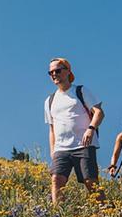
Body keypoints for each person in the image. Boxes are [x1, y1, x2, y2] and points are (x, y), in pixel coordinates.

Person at [44, 57, 105, 205]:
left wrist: (91, 129)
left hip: (83, 145)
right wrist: (53, 151)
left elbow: (99, 112)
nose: (54, 74)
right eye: (50, 72)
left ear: (67, 71)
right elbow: (52, 128)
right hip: (61, 148)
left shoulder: (80, 91)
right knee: (56, 180)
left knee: (90, 181)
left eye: (57, 70)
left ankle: (105, 212)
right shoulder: (49, 100)